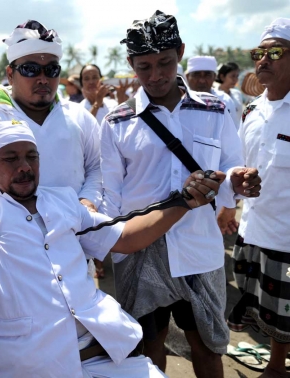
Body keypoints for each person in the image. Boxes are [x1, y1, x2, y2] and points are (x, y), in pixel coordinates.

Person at [0, 119, 224, 377]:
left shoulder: (63, 200)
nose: (24, 166)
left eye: (31, 156)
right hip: (36, 365)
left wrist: (184, 202)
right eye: (11, 158)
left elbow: (125, 238)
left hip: (111, 354)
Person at [100, 11, 262, 378]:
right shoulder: (116, 122)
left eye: (165, 63)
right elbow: (110, 194)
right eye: (144, 67)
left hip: (199, 251)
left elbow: (232, 165)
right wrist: (102, 244)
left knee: (207, 347)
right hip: (139, 253)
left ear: (181, 54)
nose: (155, 75)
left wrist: (238, 181)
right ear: (131, 65)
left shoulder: (215, 109)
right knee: (148, 349)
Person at [0, 20, 102, 215]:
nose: (42, 78)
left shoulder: (81, 118)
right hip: (10, 241)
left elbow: (97, 168)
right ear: (10, 74)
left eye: (51, 70)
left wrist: (88, 200)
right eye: (30, 69)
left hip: (78, 236)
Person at [224, 18, 290, 378]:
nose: (263, 59)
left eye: (275, 51)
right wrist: (237, 181)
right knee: (266, 310)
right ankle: (276, 365)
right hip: (252, 232)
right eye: (259, 53)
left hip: (287, 238)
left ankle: (277, 369)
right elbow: (238, 163)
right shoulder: (251, 112)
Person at [186, 55, 239, 128]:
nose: (202, 80)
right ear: (187, 76)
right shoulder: (177, 101)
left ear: (214, 77)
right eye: (197, 75)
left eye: (207, 75)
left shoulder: (225, 101)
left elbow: (234, 132)